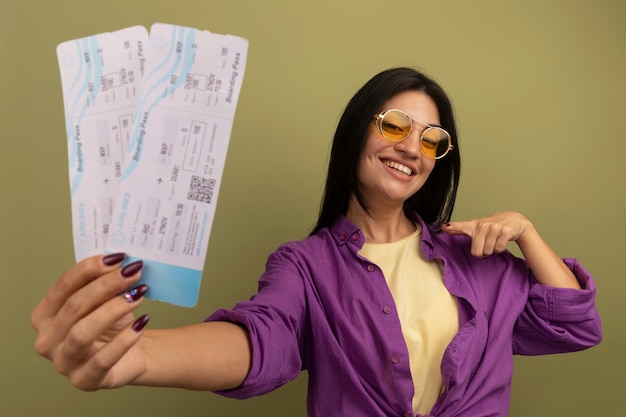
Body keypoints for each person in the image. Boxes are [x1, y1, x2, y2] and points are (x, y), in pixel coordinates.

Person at [31, 67, 602, 417]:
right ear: (357, 133)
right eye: (395, 126)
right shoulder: (304, 267)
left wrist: (526, 232)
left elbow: (577, 325)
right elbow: (261, 341)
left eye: (431, 139)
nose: (412, 148)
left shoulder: (479, 262)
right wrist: (140, 357)